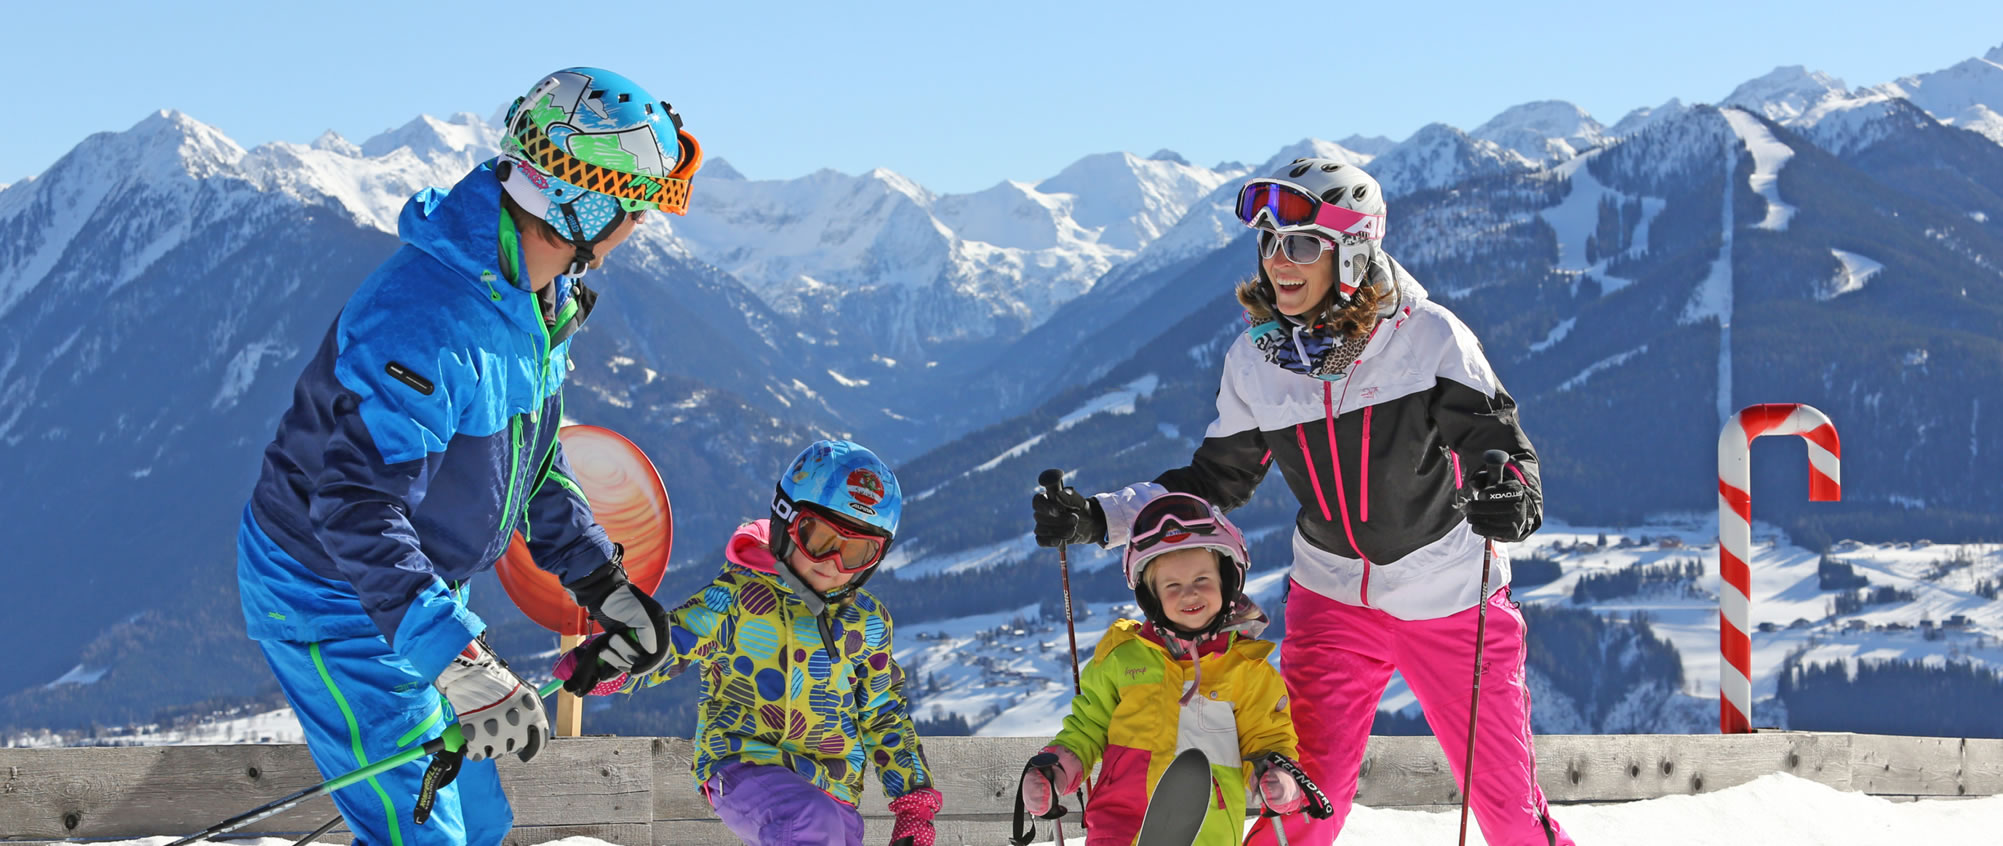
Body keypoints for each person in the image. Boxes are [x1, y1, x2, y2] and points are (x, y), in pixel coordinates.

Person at [1032, 159, 1573, 845]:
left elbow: (1495, 439)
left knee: (1505, 809)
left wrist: (1509, 490)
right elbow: (1216, 479)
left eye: (1299, 244)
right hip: (1331, 599)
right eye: (1267, 243)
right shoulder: (1256, 359)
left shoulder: (1428, 336)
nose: (1276, 262)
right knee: (1297, 800)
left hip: (1448, 598)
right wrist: (1096, 517)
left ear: (1350, 252)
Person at [235, 67, 702, 845]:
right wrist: (455, 660)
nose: (640, 229)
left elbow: (529, 462)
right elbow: (355, 508)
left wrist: (600, 580)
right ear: (585, 208)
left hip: (411, 589)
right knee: (424, 839)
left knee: (480, 821)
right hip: (332, 597)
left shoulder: (533, 297)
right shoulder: (428, 322)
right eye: (635, 211)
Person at [564, 440, 943, 846]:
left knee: (825, 826)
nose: (832, 563)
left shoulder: (866, 623)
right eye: (819, 540)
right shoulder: (737, 600)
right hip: (741, 766)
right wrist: (610, 664)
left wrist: (912, 804)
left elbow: (883, 713)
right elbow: (672, 643)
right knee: (809, 822)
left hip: (832, 792)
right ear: (785, 521)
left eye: (855, 553)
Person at [1017, 492, 1324, 846]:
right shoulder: (1122, 659)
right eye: (1172, 585)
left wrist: (1278, 776)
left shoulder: (1248, 672)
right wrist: (1056, 770)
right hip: (1118, 829)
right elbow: (1087, 730)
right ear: (1152, 597)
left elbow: (1268, 739)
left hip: (1207, 832)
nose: (1189, 595)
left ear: (1226, 581)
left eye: (1202, 581)